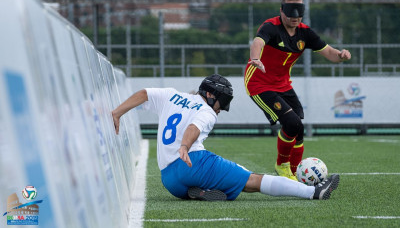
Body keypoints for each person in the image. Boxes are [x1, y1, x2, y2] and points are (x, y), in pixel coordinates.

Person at [112, 74, 339, 201]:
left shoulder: (171, 95)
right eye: (223, 101)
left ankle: (200, 192)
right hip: (191, 162)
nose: (223, 108)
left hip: (169, 180)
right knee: (252, 180)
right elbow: (193, 127)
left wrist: (117, 112)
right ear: (210, 94)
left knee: (237, 182)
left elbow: (143, 94)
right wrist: (184, 146)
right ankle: (313, 192)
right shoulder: (207, 111)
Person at [244, 0, 352, 180]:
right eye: (289, 11)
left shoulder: (305, 32)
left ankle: (294, 174)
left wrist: (341, 55)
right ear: (281, 10)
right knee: (291, 123)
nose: (294, 15)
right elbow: (257, 42)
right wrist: (255, 58)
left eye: (299, 11)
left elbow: (328, 52)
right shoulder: (271, 27)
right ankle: (282, 166)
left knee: (298, 128)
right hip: (259, 84)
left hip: (283, 84)